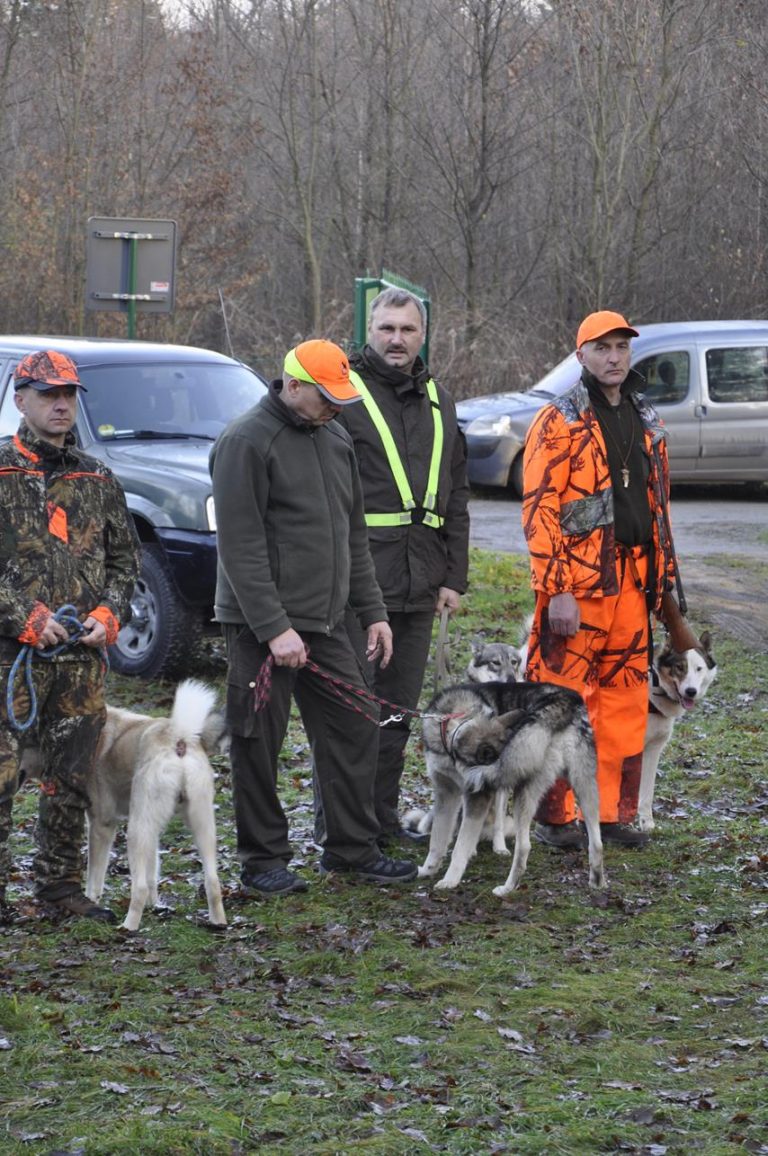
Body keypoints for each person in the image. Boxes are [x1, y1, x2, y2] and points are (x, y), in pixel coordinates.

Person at [209, 339, 417, 896]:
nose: (335, 407)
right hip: (261, 627)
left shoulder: (335, 438)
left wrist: (373, 612)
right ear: (292, 384)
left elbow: (353, 537)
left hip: (327, 623)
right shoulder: (245, 442)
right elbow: (241, 546)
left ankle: (351, 848)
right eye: (326, 397)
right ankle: (262, 861)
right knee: (257, 741)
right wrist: (275, 628)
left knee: (356, 724)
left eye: (341, 398)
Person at [522, 311, 676, 849]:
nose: (614, 357)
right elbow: (539, 510)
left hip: (633, 581)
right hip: (578, 590)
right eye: (602, 347)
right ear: (581, 354)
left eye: (621, 347)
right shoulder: (559, 419)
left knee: (625, 702)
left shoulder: (645, 415)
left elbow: (659, 509)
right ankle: (556, 819)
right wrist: (556, 587)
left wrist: (665, 584)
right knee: (563, 702)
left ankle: (608, 814)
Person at [0, 350, 139, 923]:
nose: (61, 404)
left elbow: (126, 561)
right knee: (4, 774)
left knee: (72, 776)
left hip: (79, 660)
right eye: (48, 394)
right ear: (21, 398)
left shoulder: (96, 476)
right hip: (11, 658)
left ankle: (58, 887)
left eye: (69, 394)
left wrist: (110, 615)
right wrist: (22, 618)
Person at [339, 287, 470, 843]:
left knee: (396, 713)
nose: (397, 340)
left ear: (423, 335)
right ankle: (345, 835)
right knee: (352, 716)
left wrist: (453, 577)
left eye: (408, 330)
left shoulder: (439, 397)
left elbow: (456, 493)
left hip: (422, 583)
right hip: (360, 583)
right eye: (387, 328)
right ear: (371, 330)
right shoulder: (343, 393)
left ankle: (381, 822)